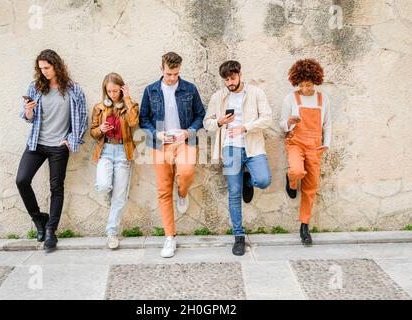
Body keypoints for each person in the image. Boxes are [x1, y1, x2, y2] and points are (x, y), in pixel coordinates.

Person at [16, 49, 87, 251]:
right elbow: (27, 117)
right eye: (41, 69)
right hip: (37, 144)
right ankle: (38, 218)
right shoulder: (35, 87)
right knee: (21, 180)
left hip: (58, 146)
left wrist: (71, 139)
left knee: (56, 188)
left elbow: (82, 118)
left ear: (56, 66)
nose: (44, 72)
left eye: (47, 68)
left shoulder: (73, 89)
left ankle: (50, 231)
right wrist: (29, 110)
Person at [139, 52, 205, 258]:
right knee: (163, 190)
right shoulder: (151, 91)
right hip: (161, 144)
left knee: (185, 174)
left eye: (176, 74)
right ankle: (170, 237)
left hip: (184, 141)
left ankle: (183, 193)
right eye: (169, 74)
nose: (172, 78)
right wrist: (155, 133)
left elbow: (200, 115)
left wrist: (188, 131)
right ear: (161, 69)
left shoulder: (189, 88)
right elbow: (144, 119)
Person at [204, 60, 272, 256]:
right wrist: (219, 121)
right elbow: (206, 123)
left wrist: (245, 127)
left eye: (232, 78)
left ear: (240, 74)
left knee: (264, 180)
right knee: (234, 192)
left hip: (253, 146)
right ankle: (239, 236)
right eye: (226, 80)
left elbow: (267, 118)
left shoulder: (256, 93)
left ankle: (248, 179)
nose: (230, 82)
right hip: (230, 148)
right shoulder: (219, 97)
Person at [280, 58, 332, 246]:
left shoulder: (322, 98)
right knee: (296, 171)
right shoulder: (291, 98)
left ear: (315, 81)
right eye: (301, 85)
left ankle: (304, 226)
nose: (304, 89)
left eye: (308, 85)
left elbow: (327, 124)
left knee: (310, 188)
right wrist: (289, 123)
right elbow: (281, 123)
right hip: (296, 142)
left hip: (315, 146)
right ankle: (292, 182)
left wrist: (326, 144)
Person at [90, 73, 139, 249]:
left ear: (121, 88)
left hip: (123, 152)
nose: (112, 94)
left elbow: (134, 122)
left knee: (119, 197)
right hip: (105, 151)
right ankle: (111, 199)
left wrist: (127, 98)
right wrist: (101, 129)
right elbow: (93, 132)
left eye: (116, 91)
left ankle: (111, 233)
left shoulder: (129, 105)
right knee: (103, 186)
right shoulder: (99, 108)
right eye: (109, 91)